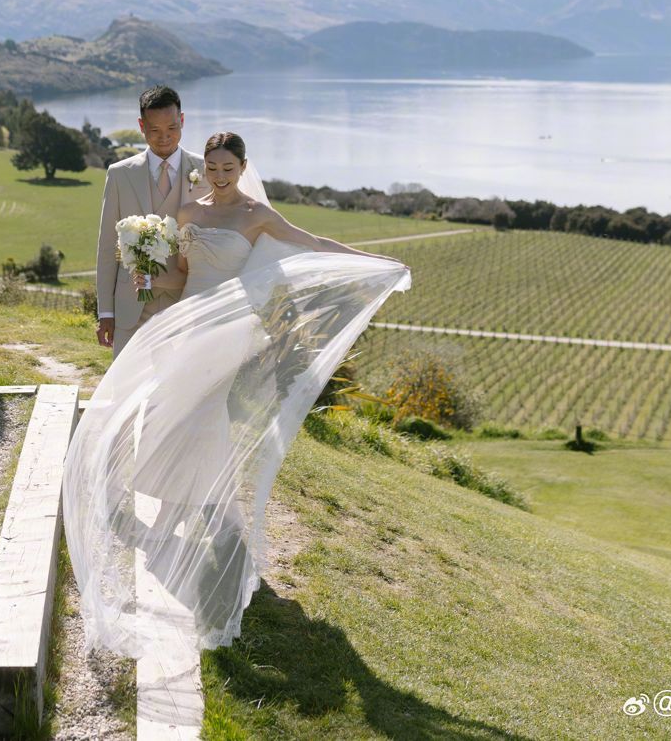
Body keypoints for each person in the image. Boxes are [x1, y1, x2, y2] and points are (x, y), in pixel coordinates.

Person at [63, 129, 411, 659]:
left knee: (197, 412)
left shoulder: (256, 216)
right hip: (184, 321)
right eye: (213, 168)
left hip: (228, 331)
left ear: (243, 168)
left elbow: (313, 244)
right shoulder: (187, 214)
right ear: (204, 167)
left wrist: (374, 262)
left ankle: (215, 513)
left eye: (229, 168)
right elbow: (181, 278)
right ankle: (202, 504)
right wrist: (147, 274)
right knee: (166, 412)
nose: (220, 177)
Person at [94, 85, 211, 358]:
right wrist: (106, 312)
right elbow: (107, 247)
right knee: (126, 392)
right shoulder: (119, 174)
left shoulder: (206, 171)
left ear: (182, 120)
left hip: (186, 304)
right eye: (154, 130)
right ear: (141, 126)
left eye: (171, 128)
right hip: (130, 306)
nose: (164, 138)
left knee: (178, 392)